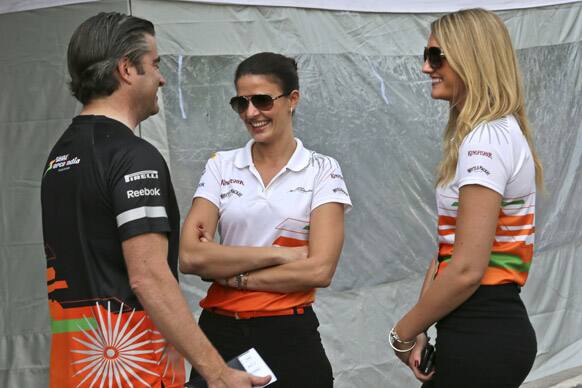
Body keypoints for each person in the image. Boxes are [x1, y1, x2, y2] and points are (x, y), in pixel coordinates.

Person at [41, 12, 269, 388]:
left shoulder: (59, 156)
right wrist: (218, 373)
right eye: (155, 64)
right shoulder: (135, 157)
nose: (162, 78)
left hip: (76, 369)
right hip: (135, 371)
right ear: (127, 69)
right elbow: (148, 277)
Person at [389, 8, 543, 388]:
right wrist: (423, 324)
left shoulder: (485, 140)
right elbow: (449, 250)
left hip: (483, 331)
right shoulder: (488, 134)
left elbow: (467, 268)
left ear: (471, 58)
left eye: (436, 56)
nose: (427, 68)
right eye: (426, 56)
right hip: (477, 329)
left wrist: (402, 332)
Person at [179, 52, 352, 387]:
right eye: (240, 103)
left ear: (293, 100)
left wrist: (234, 276)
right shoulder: (221, 165)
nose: (251, 113)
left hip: (288, 332)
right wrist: (280, 254)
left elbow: (319, 270)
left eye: (261, 100)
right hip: (220, 331)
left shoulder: (322, 169)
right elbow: (190, 257)